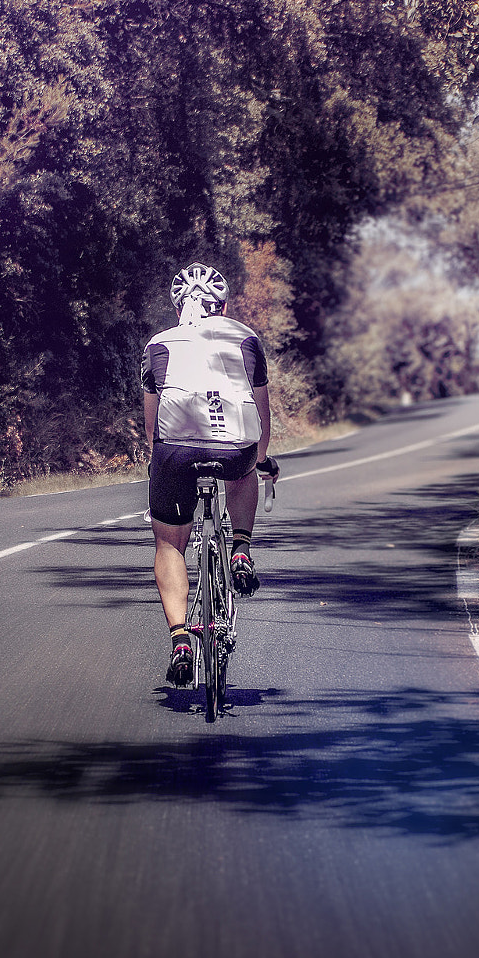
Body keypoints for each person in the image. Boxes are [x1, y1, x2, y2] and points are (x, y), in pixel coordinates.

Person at [141, 263, 279, 687]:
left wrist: (164, 461)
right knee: (245, 468)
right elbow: (261, 414)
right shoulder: (245, 338)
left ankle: (181, 639)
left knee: (170, 544)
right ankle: (240, 548)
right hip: (234, 445)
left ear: (178, 305)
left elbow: (152, 430)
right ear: (222, 305)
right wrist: (261, 458)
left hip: (175, 453)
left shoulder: (157, 345)